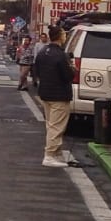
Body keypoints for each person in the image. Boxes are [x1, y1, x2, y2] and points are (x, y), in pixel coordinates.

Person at [28, 27, 75, 166]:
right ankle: (49, 155)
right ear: (60, 37)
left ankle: (57, 153)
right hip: (59, 94)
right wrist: (73, 68)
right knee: (57, 126)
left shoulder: (43, 52)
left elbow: (36, 70)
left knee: (51, 125)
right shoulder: (61, 55)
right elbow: (68, 75)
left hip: (46, 92)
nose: (65, 36)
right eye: (64, 34)